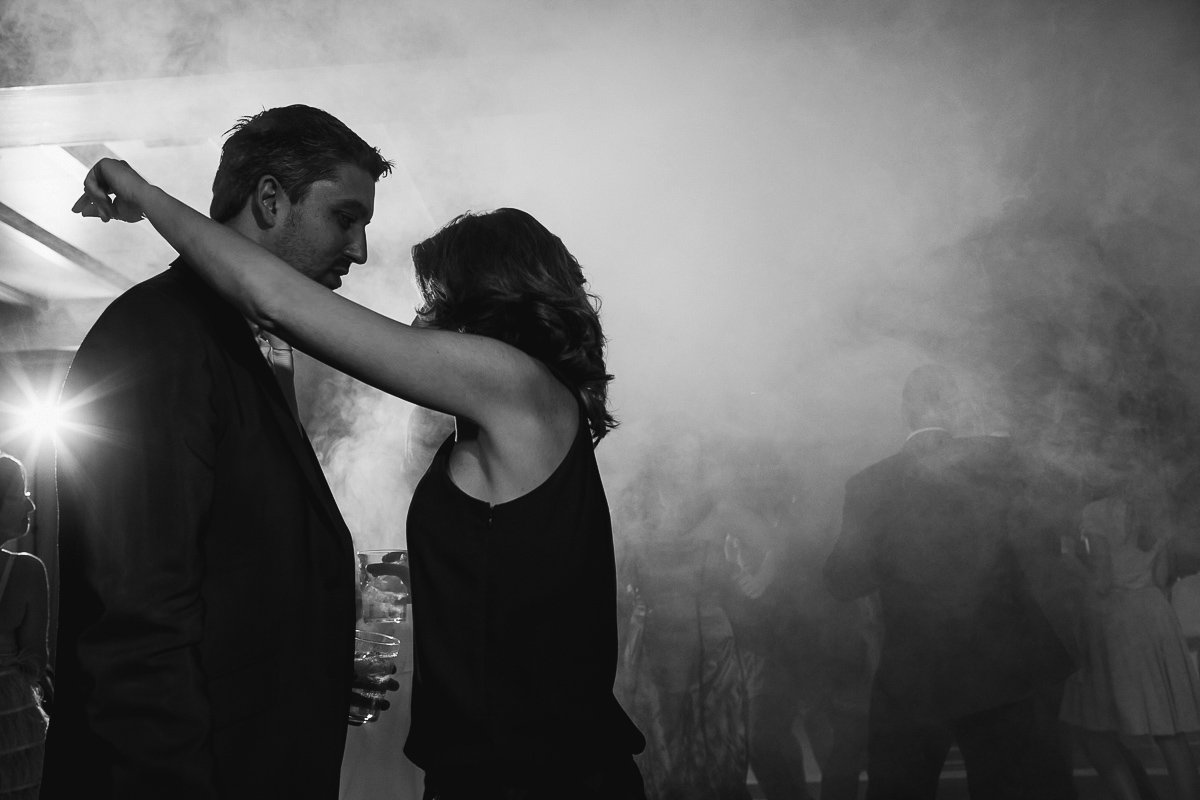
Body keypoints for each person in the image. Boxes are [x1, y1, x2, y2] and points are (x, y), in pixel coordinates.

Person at [70, 157, 647, 799]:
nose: (420, 313)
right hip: (482, 772)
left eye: (437, 296)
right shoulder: (487, 416)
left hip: (546, 780)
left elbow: (276, 300)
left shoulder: (514, 383)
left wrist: (144, 193)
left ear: (487, 302)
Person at [44, 106, 394, 798]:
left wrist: (311, 670)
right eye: (345, 218)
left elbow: (229, 566)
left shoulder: (254, 340)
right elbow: (138, 632)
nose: (358, 250)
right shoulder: (157, 337)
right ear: (270, 199)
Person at [823, 364, 1076, 800]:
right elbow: (1047, 540)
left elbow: (843, 581)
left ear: (906, 411)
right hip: (1005, 669)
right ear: (958, 409)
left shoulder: (870, 484)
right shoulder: (1004, 464)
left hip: (916, 674)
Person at [1059, 422, 1200, 800]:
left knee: (1091, 724)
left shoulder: (1095, 513)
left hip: (1115, 620)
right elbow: (1163, 575)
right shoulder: (1155, 511)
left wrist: (1069, 558)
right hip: (1154, 615)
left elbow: (1102, 582)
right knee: (1170, 730)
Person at [0, 454, 49, 800]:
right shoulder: (26, 572)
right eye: (20, 493)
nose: (31, 504)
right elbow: (35, 660)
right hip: (11, 726)